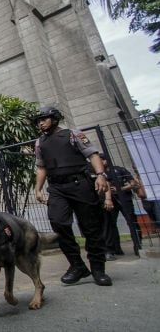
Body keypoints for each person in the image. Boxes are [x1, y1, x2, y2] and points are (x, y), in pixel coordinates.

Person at [33, 106, 112, 286]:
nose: (41, 122)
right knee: (58, 222)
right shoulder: (40, 143)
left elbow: (92, 154)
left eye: (44, 118)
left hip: (80, 184)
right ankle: (77, 266)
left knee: (91, 227)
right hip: (57, 187)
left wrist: (100, 175)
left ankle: (98, 269)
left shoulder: (73, 134)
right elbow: (41, 167)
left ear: (54, 118)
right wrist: (38, 189)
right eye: (38, 120)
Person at [99, 154, 141, 258]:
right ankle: (115, 248)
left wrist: (120, 189)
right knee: (110, 224)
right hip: (110, 200)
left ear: (105, 161)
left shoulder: (119, 170)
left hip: (124, 198)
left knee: (131, 221)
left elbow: (133, 183)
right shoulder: (100, 174)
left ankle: (138, 245)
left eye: (101, 160)